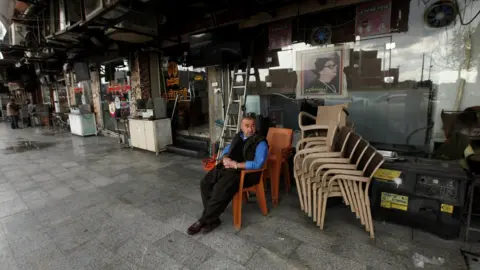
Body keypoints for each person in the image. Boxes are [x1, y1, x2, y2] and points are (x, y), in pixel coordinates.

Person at [187, 115, 269, 235]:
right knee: (205, 183)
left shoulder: (261, 142)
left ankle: (203, 220)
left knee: (219, 189)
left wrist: (236, 165)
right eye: (247, 126)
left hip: (243, 173)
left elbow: (258, 164)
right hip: (228, 167)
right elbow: (227, 150)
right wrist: (225, 158)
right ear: (241, 126)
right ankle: (212, 219)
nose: (250, 129)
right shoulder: (238, 136)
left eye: (252, 126)